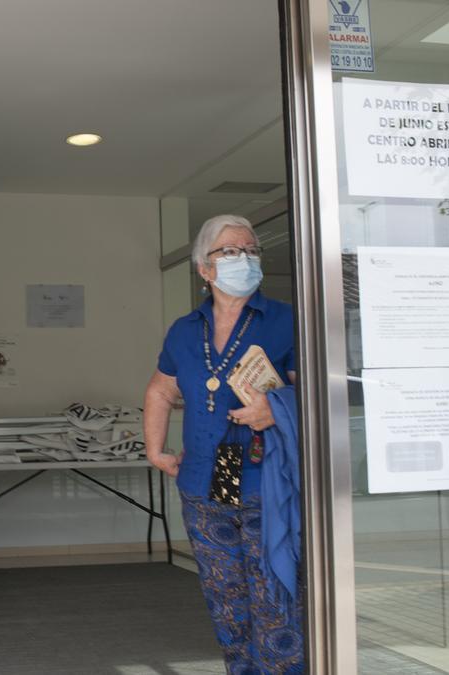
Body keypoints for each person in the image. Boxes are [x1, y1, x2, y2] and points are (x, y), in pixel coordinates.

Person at [143, 214, 303, 673]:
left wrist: (277, 408)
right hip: (207, 478)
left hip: (266, 478)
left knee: (275, 595)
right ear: (205, 269)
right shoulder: (184, 330)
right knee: (226, 597)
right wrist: (155, 450)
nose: (244, 259)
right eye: (230, 251)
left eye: (251, 251)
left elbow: (320, 391)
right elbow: (159, 389)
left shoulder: (286, 320)